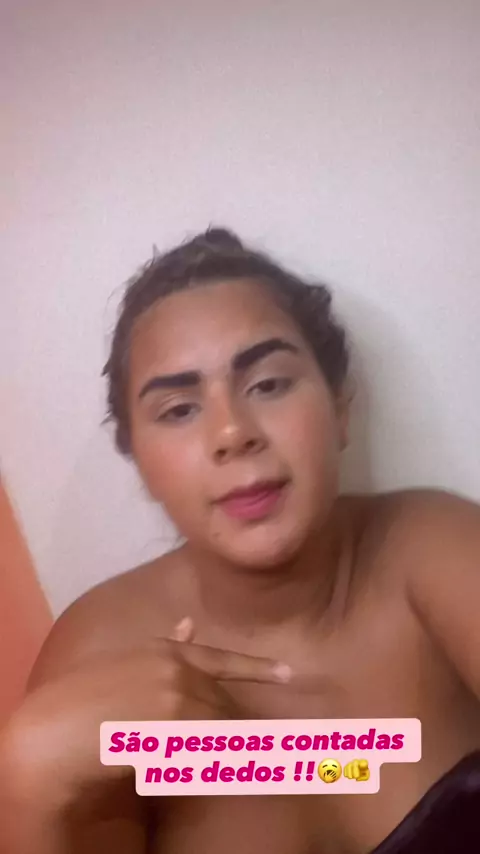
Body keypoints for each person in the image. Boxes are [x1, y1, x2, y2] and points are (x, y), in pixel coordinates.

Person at [1, 228, 479, 854]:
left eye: (269, 383)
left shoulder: (434, 546)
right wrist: (25, 783)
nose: (232, 432)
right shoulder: (96, 649)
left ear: (339, 408)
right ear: (139, 461)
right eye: (179, 409)